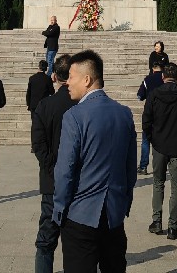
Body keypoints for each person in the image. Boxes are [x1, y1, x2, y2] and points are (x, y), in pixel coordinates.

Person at [53, 50, 137, 273]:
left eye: (71, 76)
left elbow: (65, 170)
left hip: (80, 215)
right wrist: (124, 202)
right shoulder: (124, 114)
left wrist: (59, 208)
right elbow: (130, 167)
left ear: (87, 79)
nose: (67, 82)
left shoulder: (74, 116)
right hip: (114, 214)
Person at [142, 61, 177, 240]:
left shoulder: (154, 95)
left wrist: (152, 139)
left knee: (158, 183)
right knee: (176, 187)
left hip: (159, 146)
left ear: (163, 77)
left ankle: (156, 222)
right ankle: (173, 227)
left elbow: (146, 121)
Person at [31, 53, 74, 273]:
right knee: (77, 242)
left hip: (52, 183)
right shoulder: (82, 104)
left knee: (46, 240)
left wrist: (53, 169)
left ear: (54, 76)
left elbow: (39, 145)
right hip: (80, 182)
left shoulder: (45, 105)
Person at [136, 61, 165, 174]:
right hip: (163, 114)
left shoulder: (147, 79)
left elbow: (140, 96)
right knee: (162, 140)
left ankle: (143, 166)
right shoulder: (165, 79)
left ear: (153, 69)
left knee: (145, 141)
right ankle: (161, 166)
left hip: (149, 114)